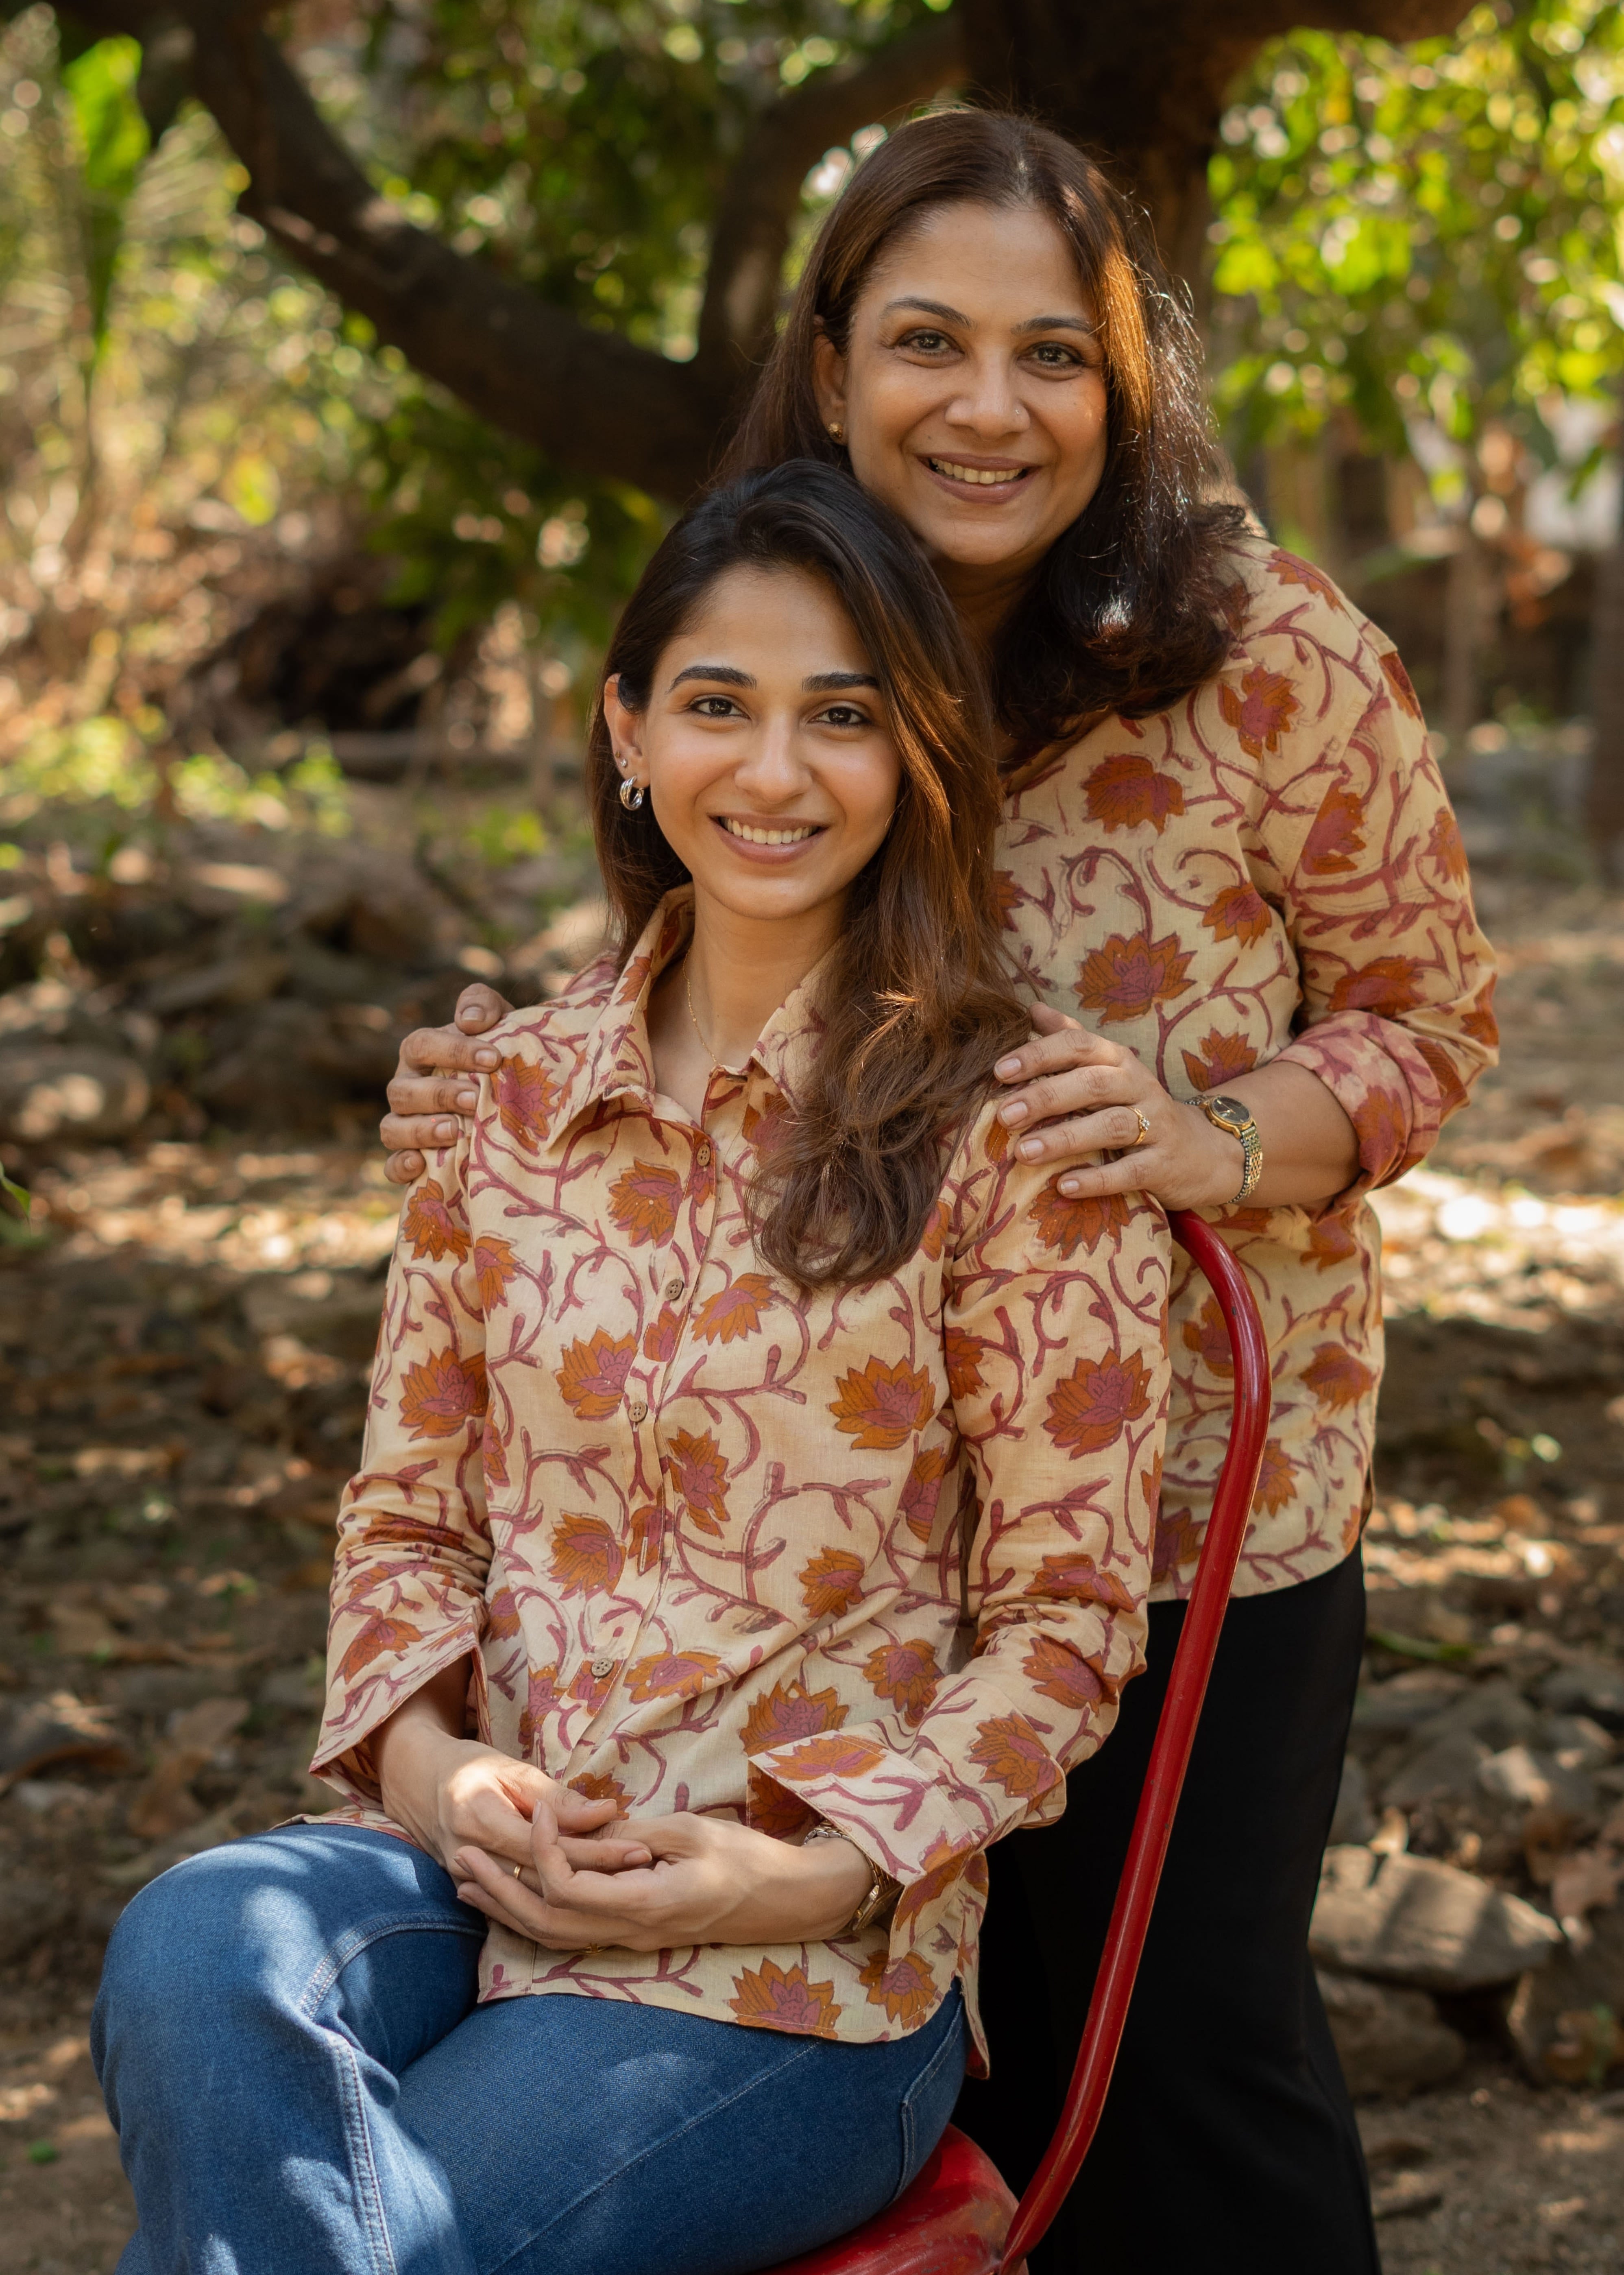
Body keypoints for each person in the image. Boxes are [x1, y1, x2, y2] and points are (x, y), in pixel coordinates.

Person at [374, 111, 1497, 2273]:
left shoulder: (1268, 648)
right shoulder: (756, 617)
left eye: (1049, 356)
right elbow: (694, 967)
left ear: (1123, 384)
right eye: (924, 343)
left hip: (1172, 1511)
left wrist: (1215, 1131)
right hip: (815, 1543)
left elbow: (1426, 1012)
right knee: (889, 2068)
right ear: (822, 360)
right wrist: (504, 1068)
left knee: (1161, 2054)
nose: (987, 409)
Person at [92, 462, 1171, 2275]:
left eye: (842, 717)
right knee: (197, 1945)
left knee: (385, 2238)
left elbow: (1065, 1627)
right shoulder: (500, 1096)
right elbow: (408, 1521)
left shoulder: (1013, 1129)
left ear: (916, 753)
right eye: (717, 706)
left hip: (796, 1973)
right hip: (465, 1874)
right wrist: (440, 1783)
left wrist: (806, 1870)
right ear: (627, 730)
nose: (772, 772)